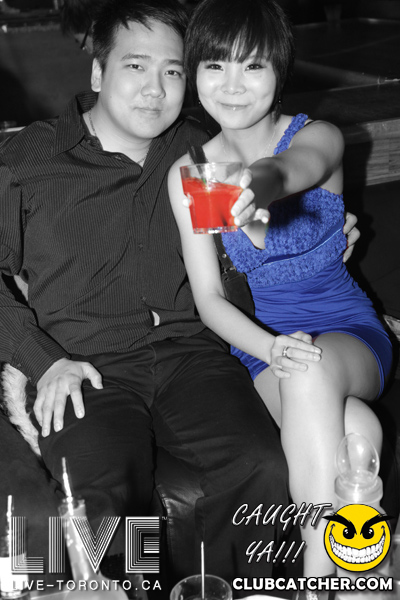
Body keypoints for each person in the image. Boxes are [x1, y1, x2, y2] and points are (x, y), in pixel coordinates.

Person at [0, 0, 314, 592]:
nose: (155, 89)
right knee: (101, 497)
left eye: (172, 71)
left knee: (262, 465)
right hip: (85, 365)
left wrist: (322, 237)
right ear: (98, 72)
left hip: (190, 356)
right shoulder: (29, 159)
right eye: (136, 66)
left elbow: (254, 240)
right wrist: (44, 362)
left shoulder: (200, 152)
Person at [168, 0, 393, 587]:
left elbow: (298, 166)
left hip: (348, 330)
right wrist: (269, 348)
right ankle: (359, 580)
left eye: (253, 66)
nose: (232, 85)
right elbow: (209, 299)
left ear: (279, 70)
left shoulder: (316, 135)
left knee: (313, 370)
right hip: (262, 351)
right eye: (215, 65)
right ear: (195, 72)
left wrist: (257, 184)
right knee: (358, 434)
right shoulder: (194, 175)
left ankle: (313, 585)